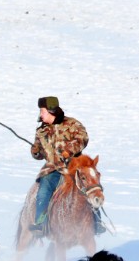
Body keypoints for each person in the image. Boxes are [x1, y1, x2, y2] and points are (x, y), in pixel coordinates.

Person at [29, 95, 95, 234]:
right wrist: (36, 152)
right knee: (43, 191)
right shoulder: (41, 131)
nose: (40, 114)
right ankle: (40, 223)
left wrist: (68, 151)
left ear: (50, 111)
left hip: (74, 167)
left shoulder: (72, 124)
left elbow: (83, 138)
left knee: (90, 187)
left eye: (42, 111)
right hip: (52, 169)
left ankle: (96, 221)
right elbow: (39, 154)